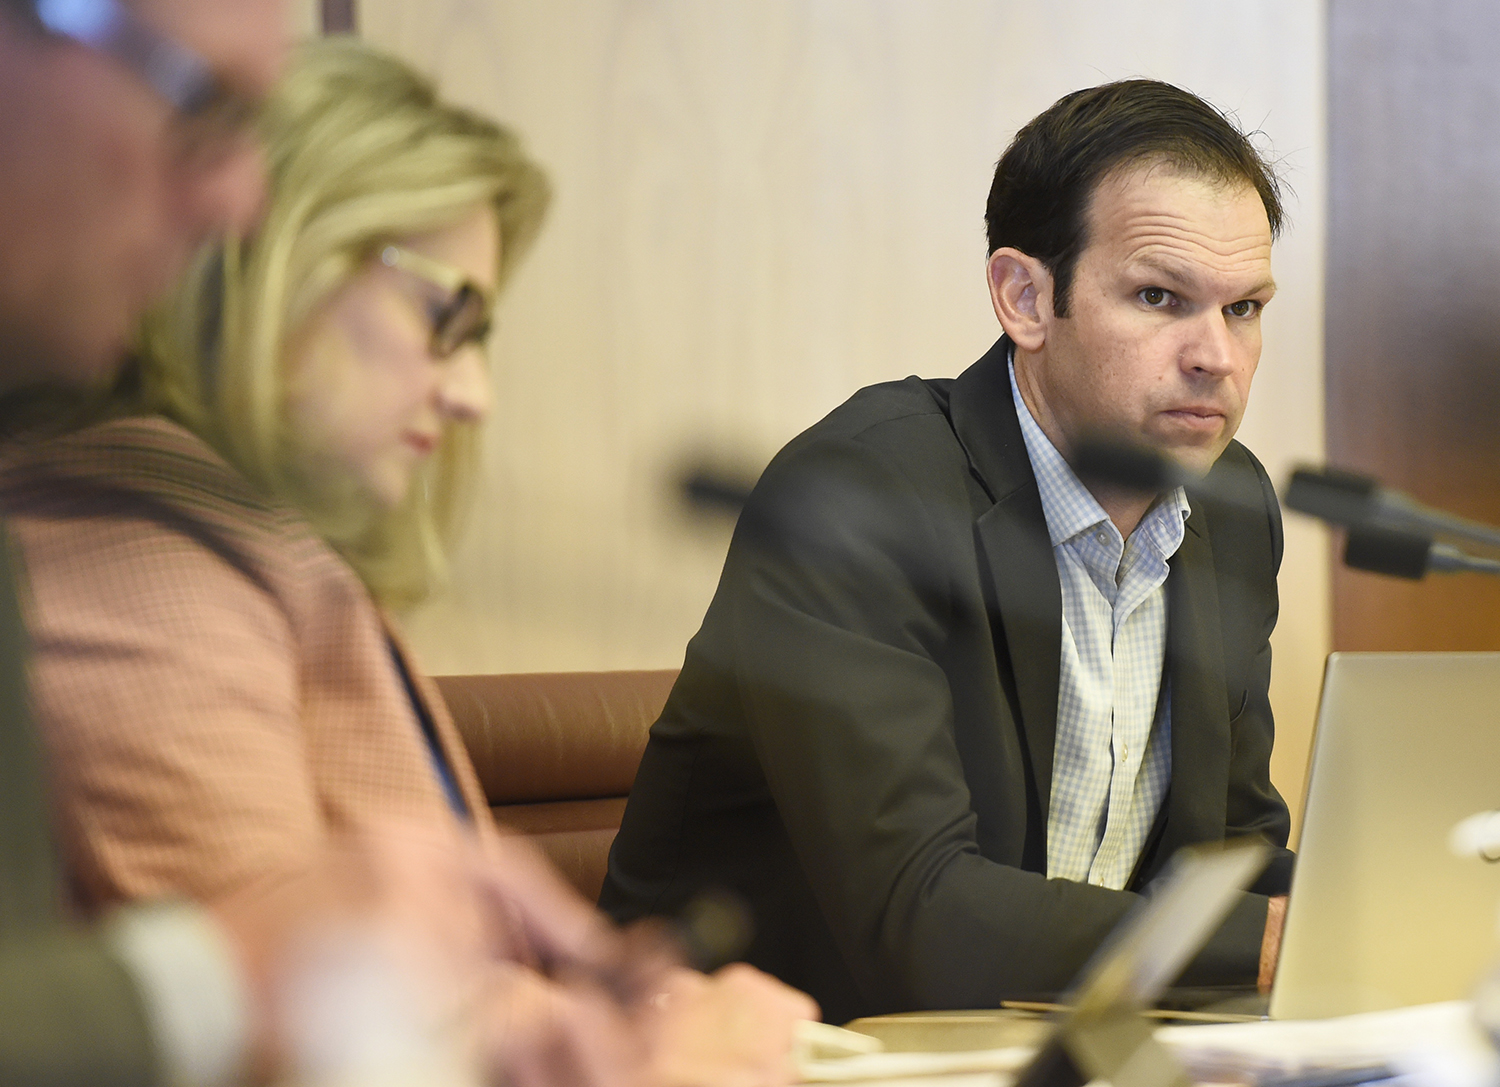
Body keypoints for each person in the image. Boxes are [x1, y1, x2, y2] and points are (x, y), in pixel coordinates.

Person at [0, 35, 815, 1085]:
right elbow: (293, 1029)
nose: (472, 394)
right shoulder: (138, 550)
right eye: (447, 316)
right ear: (280, 254)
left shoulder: (240, 538)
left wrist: (619, 1011)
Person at [601, 79, 1297, 1023]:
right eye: (1160, 296)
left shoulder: (1235, 505)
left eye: (1245, 308)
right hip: (773, 1051)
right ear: (1024, 297)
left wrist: (1382, 908)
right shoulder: (858, 496)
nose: (1216, 355)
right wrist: (1256, 942)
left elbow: (1231, 852)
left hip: (1048, 1051)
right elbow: (920, 918)